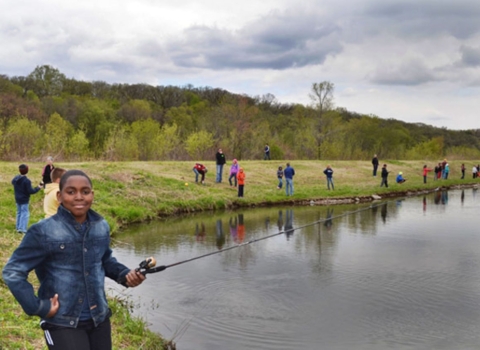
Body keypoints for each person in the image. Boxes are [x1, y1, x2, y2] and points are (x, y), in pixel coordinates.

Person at [3, 170, 145, 350]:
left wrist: (125, 275)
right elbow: (13, 272)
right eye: (71, 192)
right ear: (59, 196)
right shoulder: (43, 231)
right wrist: (38, 307)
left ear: (92, 195)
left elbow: (105, 260)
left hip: (99, 318)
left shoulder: (101, 226)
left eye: (85, 192)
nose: (79, 197)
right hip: (61, 322)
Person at [11, 164, 42, 234]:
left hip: (17, 198)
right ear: (27, 171)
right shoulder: (27, 181)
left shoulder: (16, 178)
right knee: (25, 213)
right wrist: (38, 187)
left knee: (19, 212)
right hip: (24, 199)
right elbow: (31, 191)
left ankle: (18, 227)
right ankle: (22, 229)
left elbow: (12, 182)